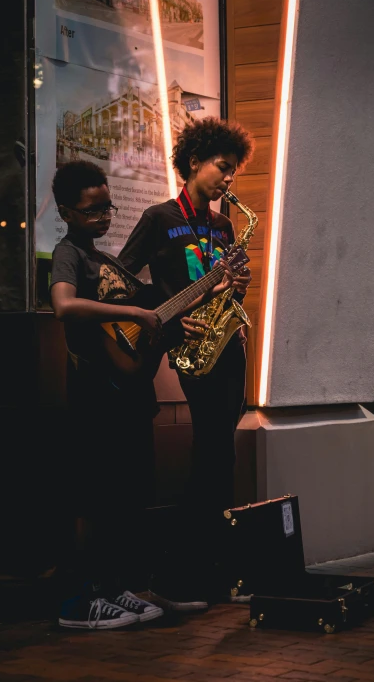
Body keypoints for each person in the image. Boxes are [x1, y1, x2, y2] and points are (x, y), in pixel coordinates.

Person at [118, 117, 254, 611]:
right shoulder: (159, 218)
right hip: (192, 348)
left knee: (222, 456)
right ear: (194, 162)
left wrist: (236, 286)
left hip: (226, 344)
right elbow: (122, 280)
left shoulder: (221, 224)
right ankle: (176, 576)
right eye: (223, 167)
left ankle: (206, 572)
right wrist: (170, 318)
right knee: (212, 453)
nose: (228, 179)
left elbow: (225, 278)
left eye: (234, 171)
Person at [50, 159, 166, 630]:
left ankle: (114, 588)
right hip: (94, 395)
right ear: (67, 212)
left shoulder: (107, 260)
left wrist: (193, 304)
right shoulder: (69, 253)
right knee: (92, 497)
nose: (104, 217)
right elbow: (63, 305)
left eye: (108, 208)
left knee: (121, 497)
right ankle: (82, 601)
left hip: (126, 397)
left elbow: (152, 308)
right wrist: (136, 317)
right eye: (93, 210)